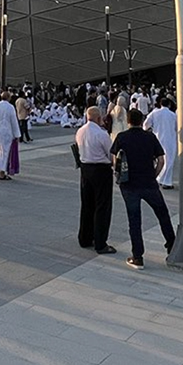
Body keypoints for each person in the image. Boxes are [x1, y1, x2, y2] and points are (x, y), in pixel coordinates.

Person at [111, 108, 176, 271]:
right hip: (149, 183)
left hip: (129, 184)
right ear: (142, 121)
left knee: (134, 220)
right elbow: (161, 160)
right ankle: (172, 247)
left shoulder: (122, 137)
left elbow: (115, 161)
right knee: (163, 214)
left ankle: (138, 256)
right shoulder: (150, 137)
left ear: (128, 121)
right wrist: (154, 175)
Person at [75, 106, 115, 254]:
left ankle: (85, 237)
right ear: (99, 118)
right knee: (102, 206)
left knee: (87, 204)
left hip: (85, 169)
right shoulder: (102, 134)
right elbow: (111, 155)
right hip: (101, 170)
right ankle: (100, 242)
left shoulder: (80, 131)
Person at [143, 98, 179, 188]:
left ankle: (159, 177)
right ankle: (166, 181)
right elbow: (177, 127)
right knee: (169, 160)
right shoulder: (173, 115)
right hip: (170, 139)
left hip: (157, 138)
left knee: (159, 160)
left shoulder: (154, 113)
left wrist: (148, 130)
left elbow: (145, 125)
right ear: (169, 105)